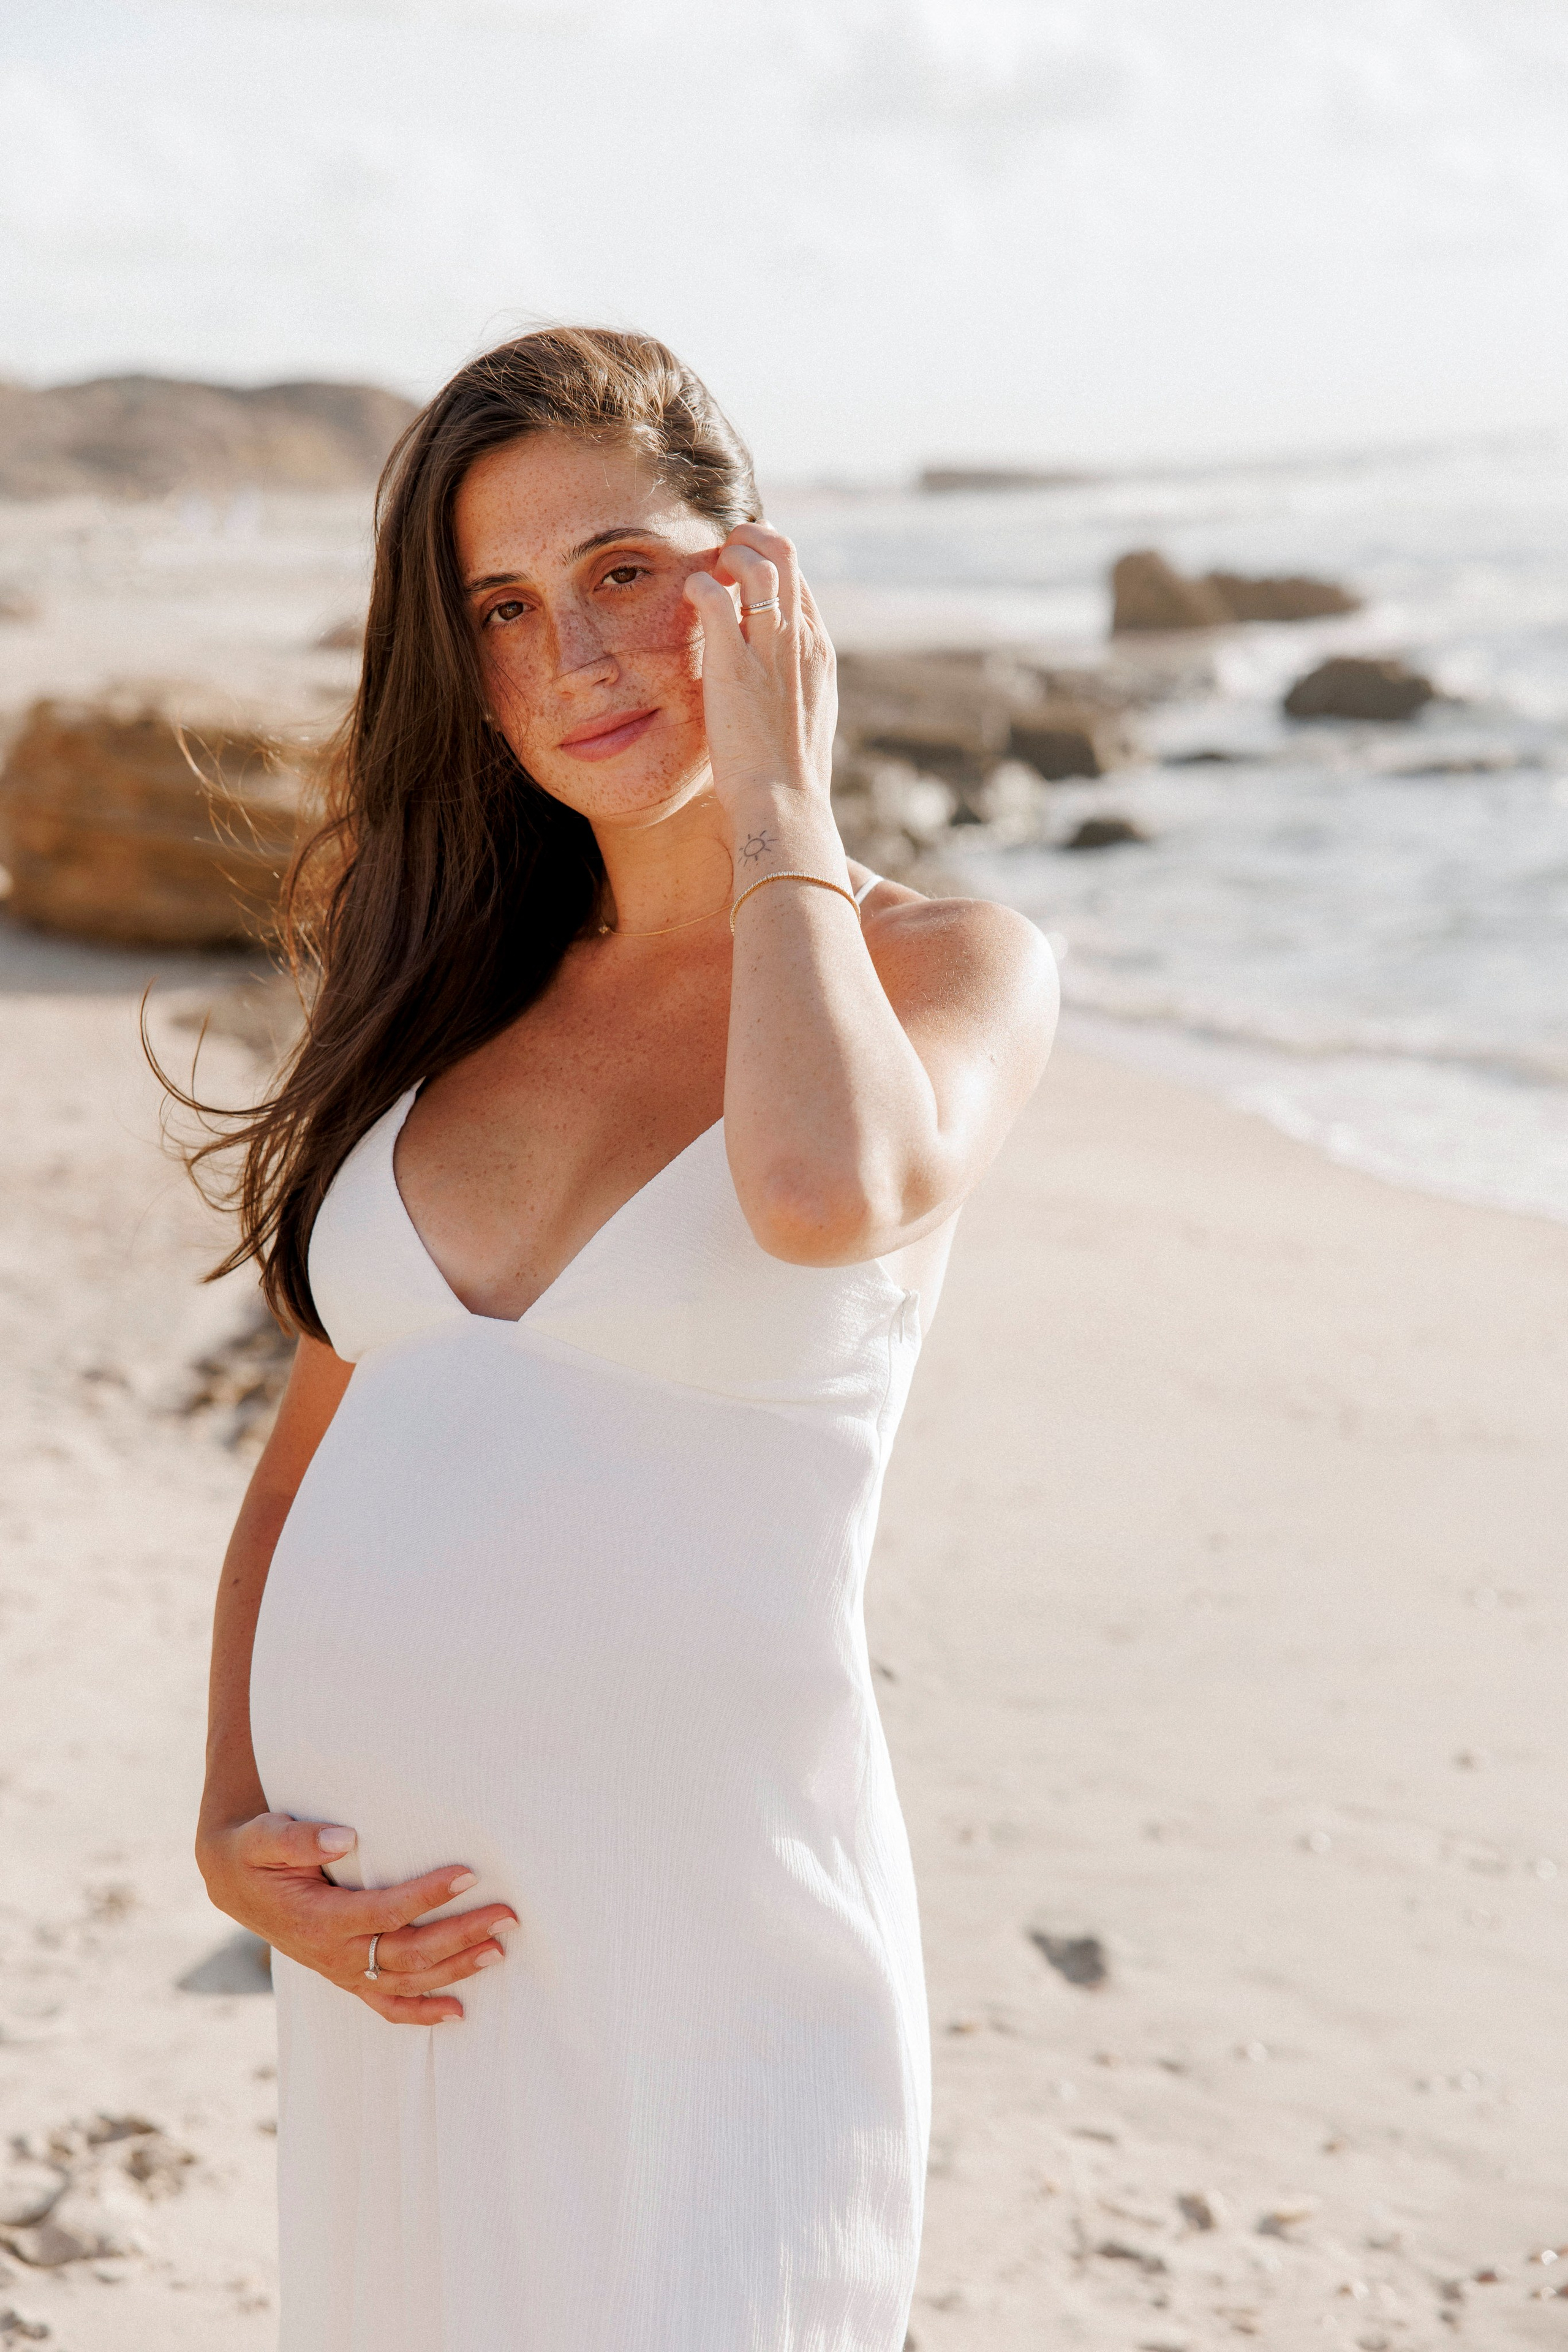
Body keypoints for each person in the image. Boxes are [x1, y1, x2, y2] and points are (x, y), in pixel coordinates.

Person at [188, 327, 1055, 2351]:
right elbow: (306, 1467)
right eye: (501, 607)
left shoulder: (946, 964)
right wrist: (229, 1828)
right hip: (399, 1977)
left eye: (626, 575)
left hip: (712, 1960)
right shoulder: (443, 1007)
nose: (572, 655)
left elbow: (824, 1195)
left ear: (755, 582)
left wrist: (776, 800)